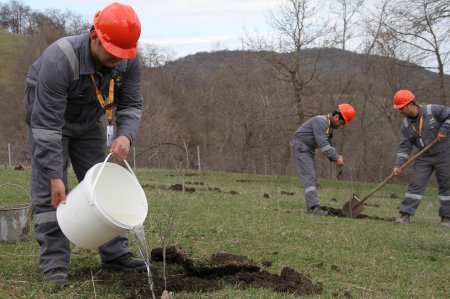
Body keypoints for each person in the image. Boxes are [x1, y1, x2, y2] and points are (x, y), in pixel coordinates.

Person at [24, 2, 146, 286]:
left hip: (89, 121)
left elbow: (132, 103)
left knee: (103, 183)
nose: (118, 61)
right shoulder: (60, 60)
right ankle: (55, 266)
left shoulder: (128, 58)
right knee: (50, 193)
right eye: (112, 54)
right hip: (48, 122)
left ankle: (115, 255)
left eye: (122, 55)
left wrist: (126, 135)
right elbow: (46, 126)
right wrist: (55, 175)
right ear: (95, 37)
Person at [391, 89, 450, 227]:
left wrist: (444, 130)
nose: (400, 111)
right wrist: (398, 165)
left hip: (445, 154)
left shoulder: (433, 110)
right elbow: (404, 147)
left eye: (401, 108)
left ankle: (447, 219)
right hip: (424, 156)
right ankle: (405, 215)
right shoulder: (406, 125)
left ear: (410, 104)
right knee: (415, 184)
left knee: (446, 187)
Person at [291, 104, 356, 215]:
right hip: (301, 147)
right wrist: (336, 158)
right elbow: (323, 145)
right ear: (336, 117)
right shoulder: (321, 122)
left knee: (311, 177)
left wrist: (336, 157)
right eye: (342, 123)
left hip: (307, 149)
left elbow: (330, 145)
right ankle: (313, 209)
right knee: (309, 176)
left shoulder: (329, 127)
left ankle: (313, 207)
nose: (341, 126)